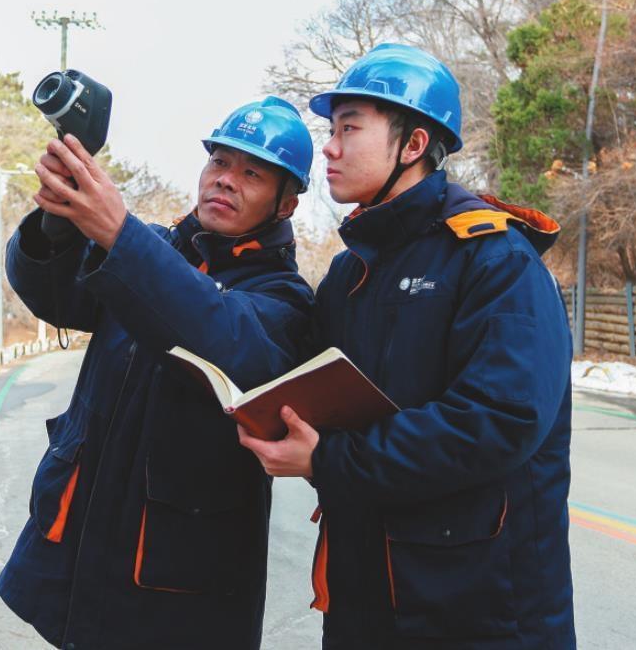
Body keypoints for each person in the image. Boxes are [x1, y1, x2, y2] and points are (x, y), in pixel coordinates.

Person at [239, 44, 575, 649]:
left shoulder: (494, 258)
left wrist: (329, 461)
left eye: (349, 129)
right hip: (365, 596)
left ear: (413, 145)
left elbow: (502, 417)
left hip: (479, 608)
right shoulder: (350, 273)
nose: (330, 148)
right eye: (330, 130)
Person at [0, 96, 315, 650]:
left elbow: (222, 337)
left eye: (252, 173)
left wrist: (120, 234)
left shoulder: (285, 300)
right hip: (81, 545)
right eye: (219, 163)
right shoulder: (153, 249)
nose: (226, 181)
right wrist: (57, 224)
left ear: (286, 204)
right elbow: (58, 296)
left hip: (173, 578)